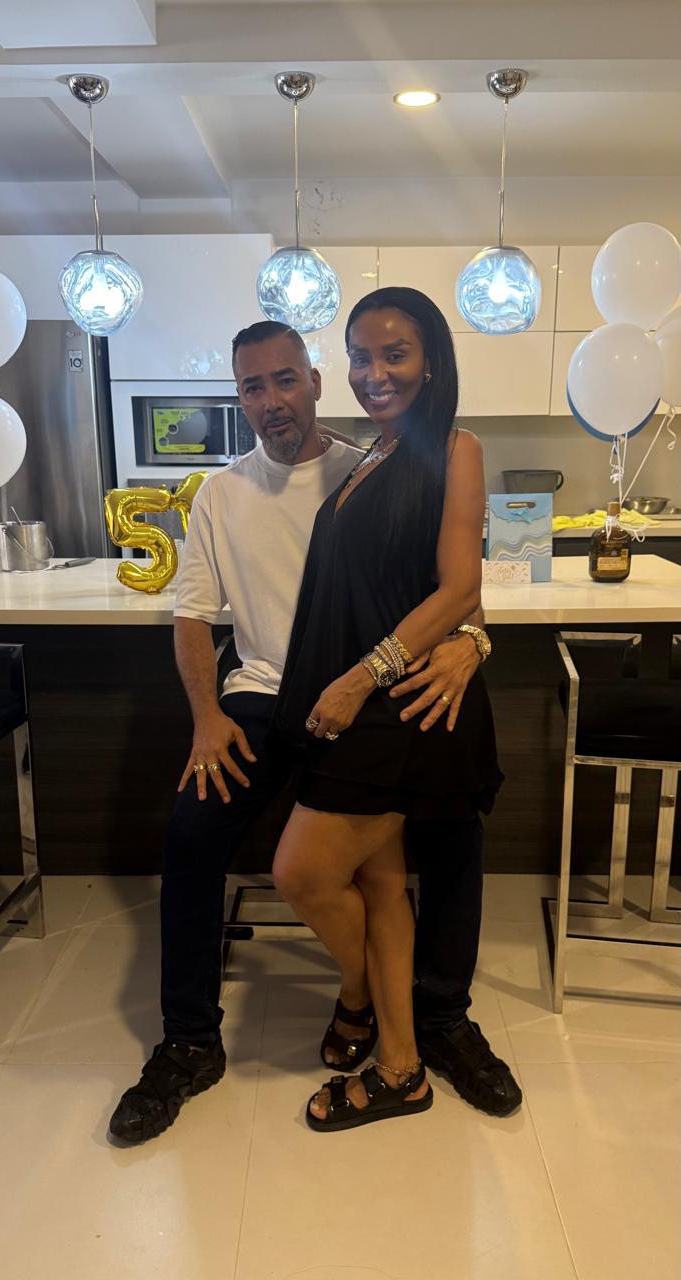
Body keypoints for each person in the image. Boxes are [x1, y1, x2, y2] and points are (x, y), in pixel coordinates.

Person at [108, 317, 520, 1144]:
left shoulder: (375, 462)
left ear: (316, 382)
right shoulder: (220, 494)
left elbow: (447, 582)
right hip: (265, 696)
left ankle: (439, 1019)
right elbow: (192, 617)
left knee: (448, 840)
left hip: (363, 698)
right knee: (192, 831)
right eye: (252, 387)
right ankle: (190, 1041)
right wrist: (206, 718)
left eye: (285, 379)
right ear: (239, 399)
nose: (272, 400)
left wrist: (473, 640)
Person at [270, 288, 507, 1131]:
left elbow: (461, 586)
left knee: (300, 873)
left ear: (431, 361)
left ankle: (364, 995)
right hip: (366, 698)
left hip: (393, 704)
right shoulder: (374, 451)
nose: (374, 372)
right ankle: (401, 1066)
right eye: (360, 357)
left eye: (394, 354)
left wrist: (366, 676)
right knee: (377, 880)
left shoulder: (455, 447)